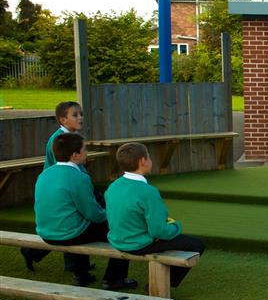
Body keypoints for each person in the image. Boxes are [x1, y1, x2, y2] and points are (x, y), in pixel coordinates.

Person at [28, 133, 134, 289]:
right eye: (85, 150)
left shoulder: (44, 174)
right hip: (69, 234)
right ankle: (113, 279)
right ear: (75, 155)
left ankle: (81, 275)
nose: (87, 153)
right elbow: (94, 215)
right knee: (124, 231)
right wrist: (112, 215)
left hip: (45, 233)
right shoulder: (79, 177)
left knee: (77, 221)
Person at [105, 142, 204, 289]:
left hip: (117, 239)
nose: (151, 161)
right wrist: (176, 226)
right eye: (149, 157)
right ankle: (157, 284)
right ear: (143, 161)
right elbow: (159, 231)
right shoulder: (148, 192)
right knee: (197, 245)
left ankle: (112, 279)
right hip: (139, 244)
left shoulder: (114, 185)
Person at [44, 101, 84, 169]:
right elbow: (60, 166)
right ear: (63, 120)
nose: (80, 117)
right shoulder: (58, 139)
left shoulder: (75, 136)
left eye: (81, 114)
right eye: (75, 115)